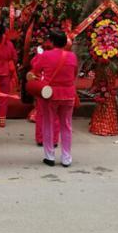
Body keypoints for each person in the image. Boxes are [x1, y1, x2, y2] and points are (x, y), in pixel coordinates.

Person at [29, 29, 78, 167]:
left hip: (50, 94)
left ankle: (49, 156)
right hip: (68, 94)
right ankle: (66, 158)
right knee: (66, 126)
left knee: (48, 124)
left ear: (52, 42)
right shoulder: (72, 56)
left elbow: (35, 71)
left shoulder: (45, 55)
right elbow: (74, 74)